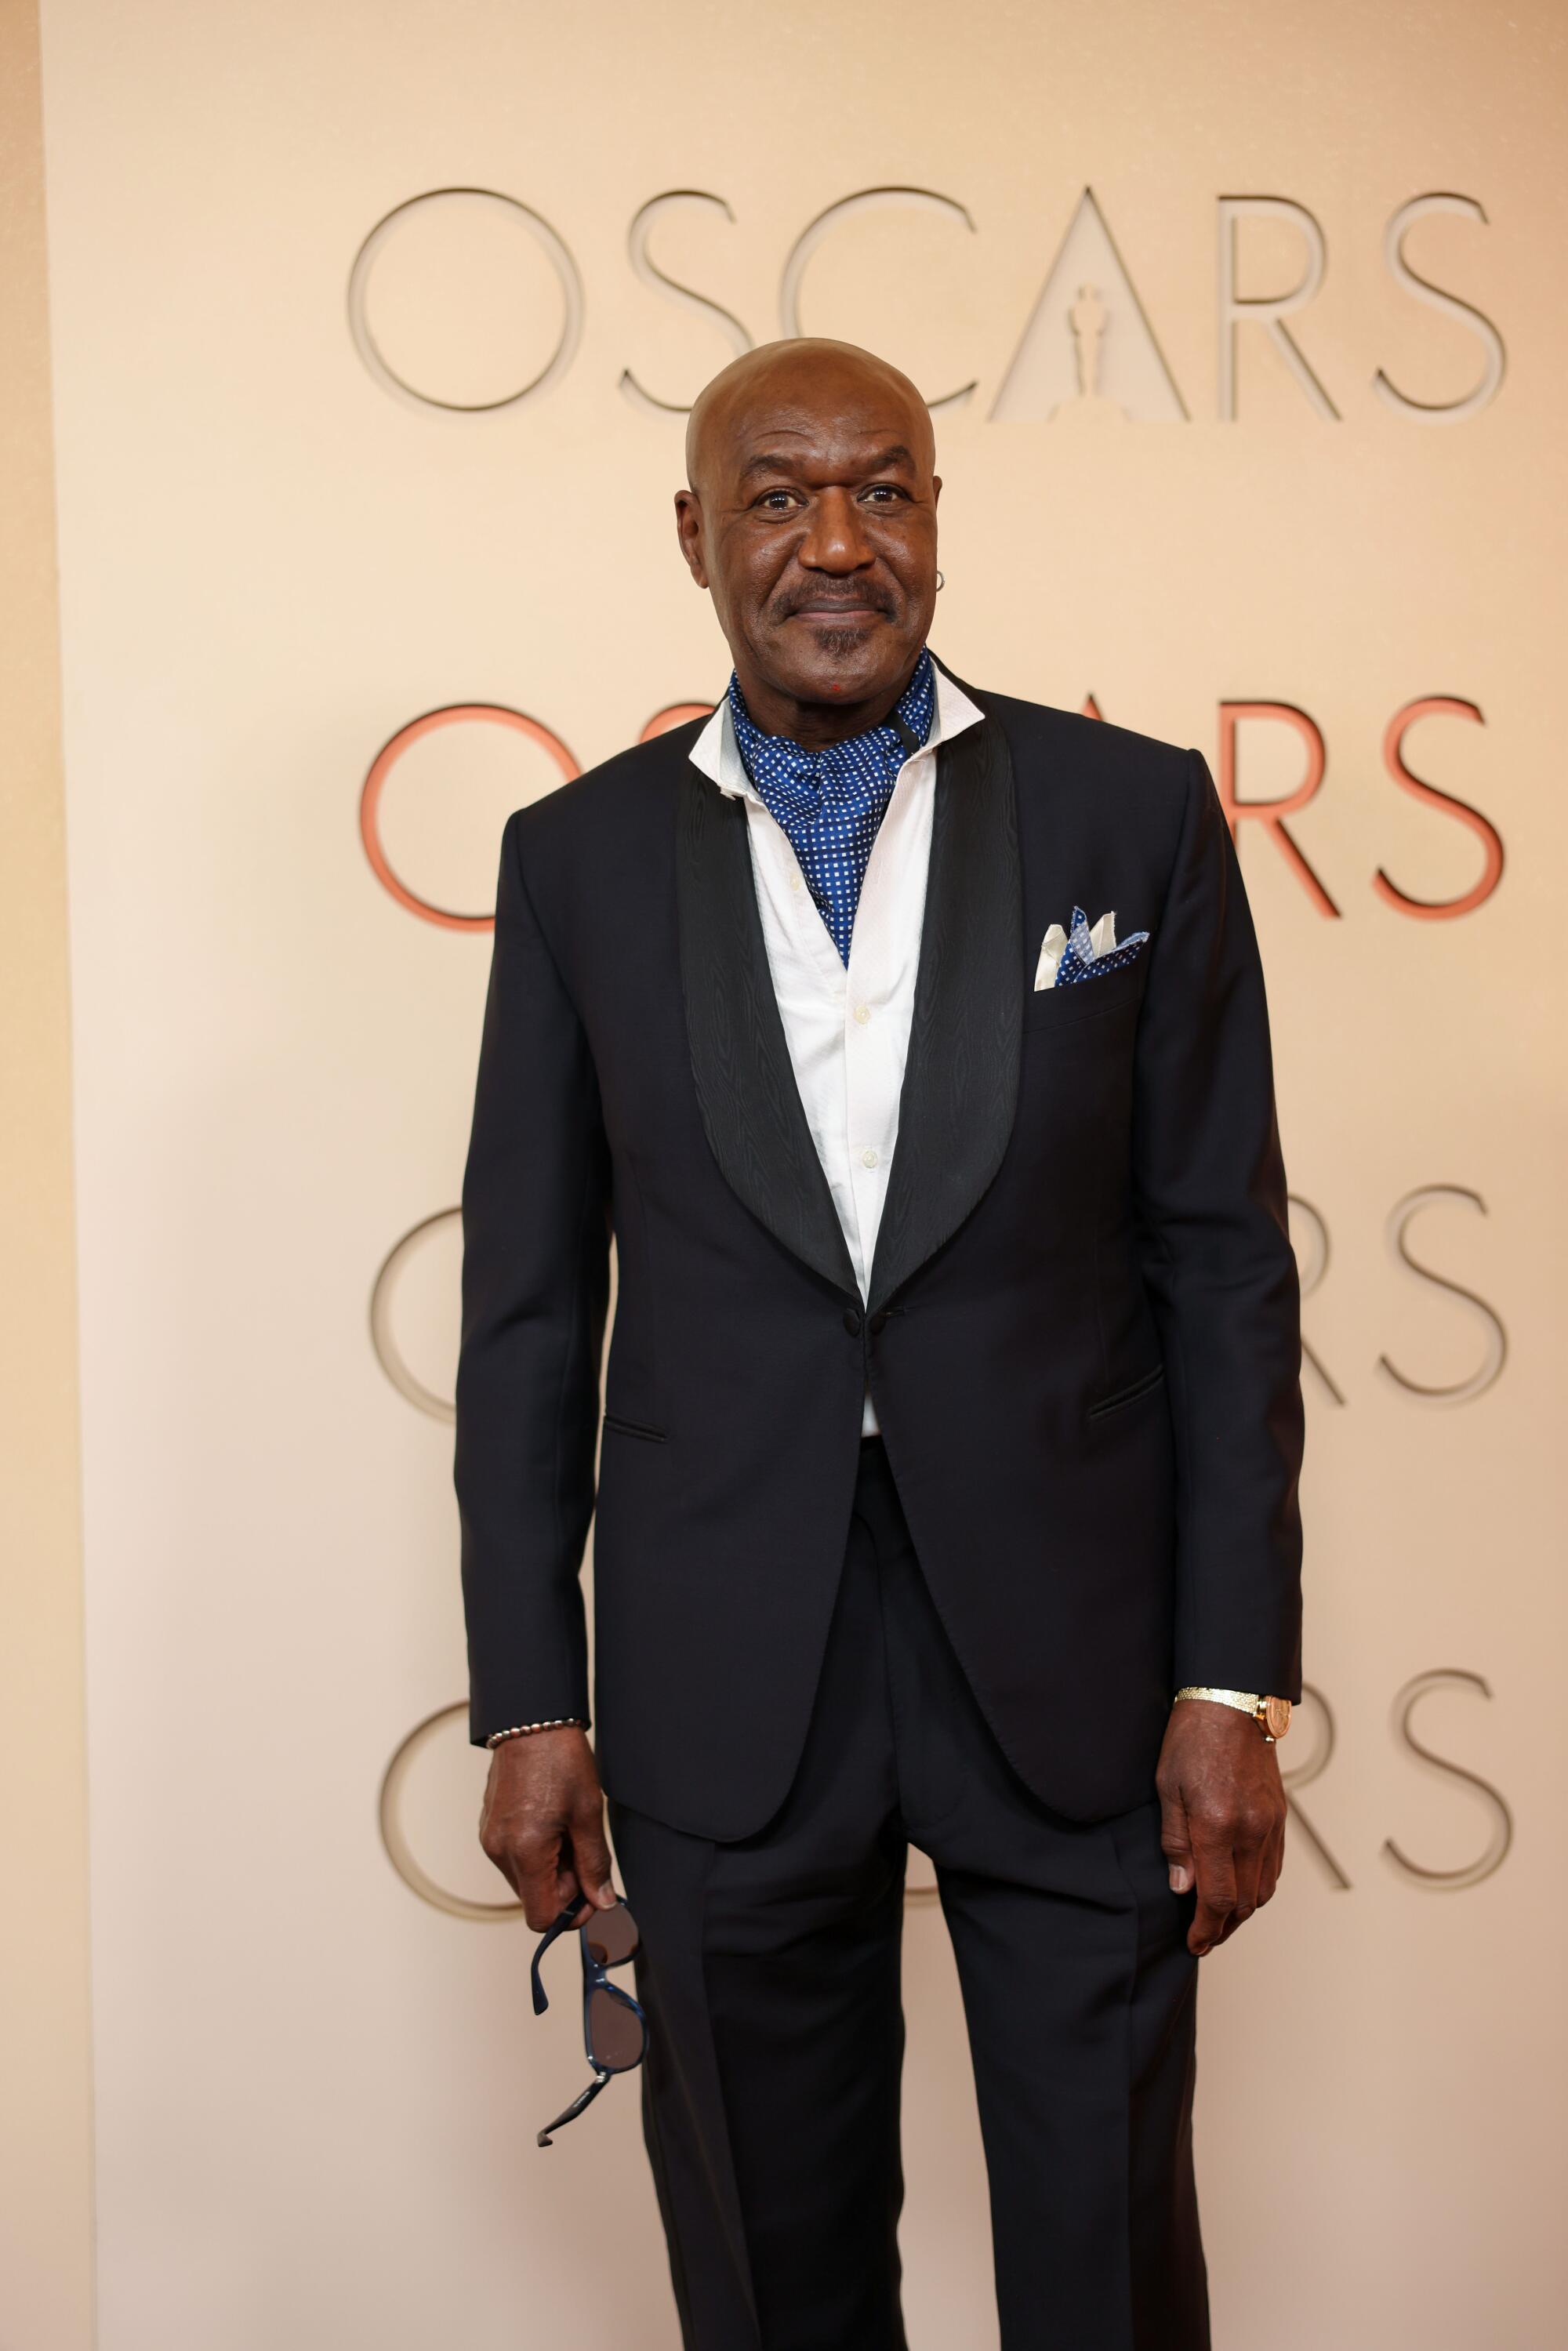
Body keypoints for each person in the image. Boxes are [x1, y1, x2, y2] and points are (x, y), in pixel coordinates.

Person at [454, 336, 1304, 2350]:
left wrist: (1232, 1682)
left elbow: (1223, 1269)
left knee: (1106, 2250)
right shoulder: (573, 862)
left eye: (883, 490)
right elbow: (529, 1306)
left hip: (1078, 1655)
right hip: (722, 1655)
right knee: (768, 2260)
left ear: (934, 518)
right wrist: (524, 1701)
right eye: (775, 494)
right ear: (693, 534)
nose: (835, 541)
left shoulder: (1134, 818)